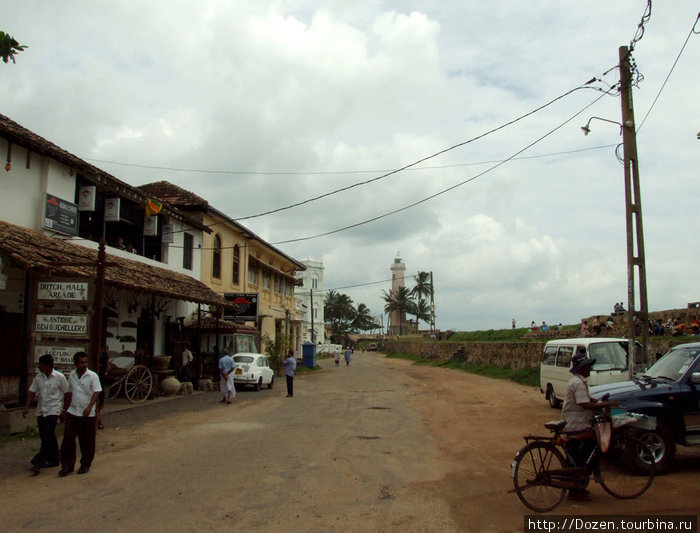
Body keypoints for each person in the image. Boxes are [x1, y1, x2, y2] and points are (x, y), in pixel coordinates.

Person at [561, 352, 619, 501]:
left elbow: (586, 399)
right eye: (588, 366)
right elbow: (585, 404)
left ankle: (576, 487)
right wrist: (607, 404)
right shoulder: (578, 383)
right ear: (582, 368)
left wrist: (599, 402)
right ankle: (575, 488)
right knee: (581, 456)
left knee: (577, 456)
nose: (590, 369)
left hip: (576, 421)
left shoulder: (577, 381)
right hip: (576, 424)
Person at [22, 354, 69, 475]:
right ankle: (54, 458)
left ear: (47, 366)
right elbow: (32, 392)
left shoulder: (59, 377)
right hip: (41, 410)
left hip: (54, 410)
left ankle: (38, 462)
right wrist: (27, 406)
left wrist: (65, 410)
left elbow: (67, 393)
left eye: (41, 364)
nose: (39, 366)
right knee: (46, 436)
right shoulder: (39, 378)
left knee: (47, 437)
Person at [59, 351, 102, 476]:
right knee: (68, 439)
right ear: (76, 364)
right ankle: (67, 466)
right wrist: (65, 410)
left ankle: (85, 464)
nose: (84, 365)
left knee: (86, 440)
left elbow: (96, 392)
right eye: (81, 362)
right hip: (73, 411)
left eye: (85, 362)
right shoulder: (72, 375)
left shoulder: (92, 376)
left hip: (87, 413)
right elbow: (70, 393)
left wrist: (89, 407)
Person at [96, 347, 110, 430]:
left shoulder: (104, 354)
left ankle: (98, 420)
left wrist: (105, 372)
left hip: (101, 376)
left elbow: (107, 364)